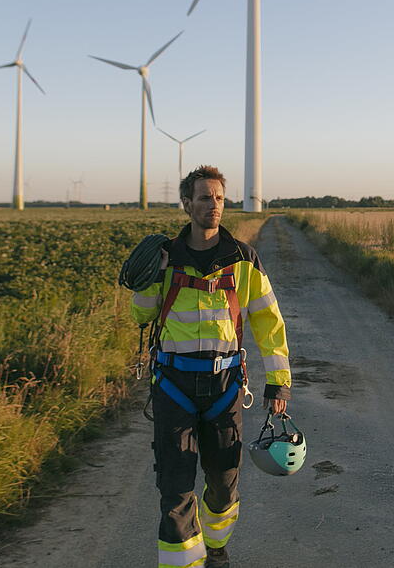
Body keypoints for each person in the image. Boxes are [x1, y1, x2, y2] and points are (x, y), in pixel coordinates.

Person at [131, 165, 291, 568]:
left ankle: (216, 546)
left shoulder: (243, 259)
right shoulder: (166, 257)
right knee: (175, 488)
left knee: (223, 484)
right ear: (187, 204)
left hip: (224, 386)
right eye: (205, 197)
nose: (214, 205)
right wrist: (152, 274)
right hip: (173, 385)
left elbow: (268, 322)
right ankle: (185, 562)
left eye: (219, 197)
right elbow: (141, 314)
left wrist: (279, 383)